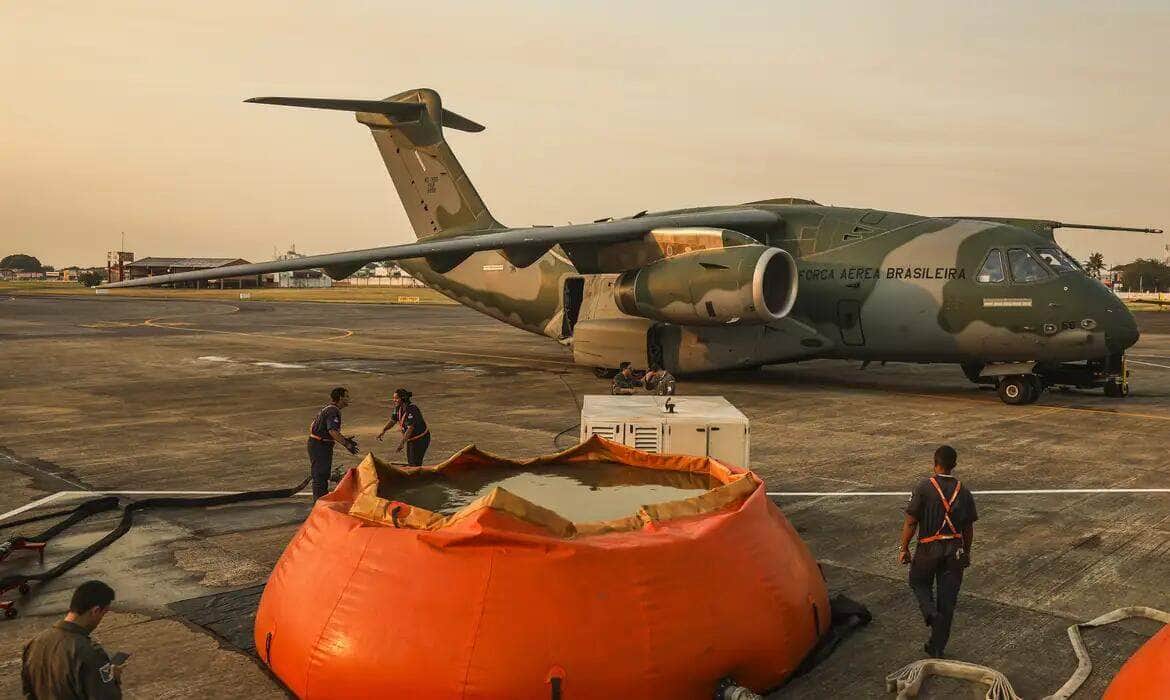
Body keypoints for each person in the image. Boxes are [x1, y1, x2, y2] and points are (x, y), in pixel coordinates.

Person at [899, 445, 978, 658]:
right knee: (948, 602)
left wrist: (904, 547)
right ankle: (936, 647)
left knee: (918, 582)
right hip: (954, 552)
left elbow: (911, 521)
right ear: (954, 465)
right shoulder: (964, 490)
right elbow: (968, 528)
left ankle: (930, 612)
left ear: (935, 463)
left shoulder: (924, 487)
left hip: (928, 550)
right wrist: (966, 552)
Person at [22, 580, 124, 699]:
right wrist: (113, 679)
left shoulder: (34, 643)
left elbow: (28, 691)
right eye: (104, 613)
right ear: (95, 610)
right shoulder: (89, 653)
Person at [307, 387, 357, 500]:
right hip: (320, 446)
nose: (348, 399)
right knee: (320, 476)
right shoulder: (333, 411)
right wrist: (347, 444)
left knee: (322, 474)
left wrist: (343, 438)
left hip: (318, 443)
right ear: (340, 398)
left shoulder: (327, 408)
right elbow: (332, 431)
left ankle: (320, 502)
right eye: (347, 396)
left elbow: (312, 426)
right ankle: (319, 505)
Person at [378, 388, 430, 466]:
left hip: (421, 439)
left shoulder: (412, 409)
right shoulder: (398, 408)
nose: (394, 400)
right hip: (411, 439)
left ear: (403, 399)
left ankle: (417, 476)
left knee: (415, 462)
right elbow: (392, 421)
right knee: (411, 461)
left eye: (396, 398)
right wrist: (384, 430)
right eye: (394, 398)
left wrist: (402, 443)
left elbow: (410, 428)